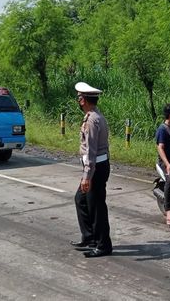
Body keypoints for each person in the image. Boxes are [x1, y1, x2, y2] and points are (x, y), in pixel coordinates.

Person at [70, 81, 113, 258]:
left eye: (79, 97)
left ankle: (103, 245)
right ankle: (90, 237)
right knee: (81, 200)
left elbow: (91, 152)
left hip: (95, 168)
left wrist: (87, 177)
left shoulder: (91, 120)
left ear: (82, 100)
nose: (78, 100)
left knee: (96, 207)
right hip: (98, 166)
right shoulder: (96, 116)